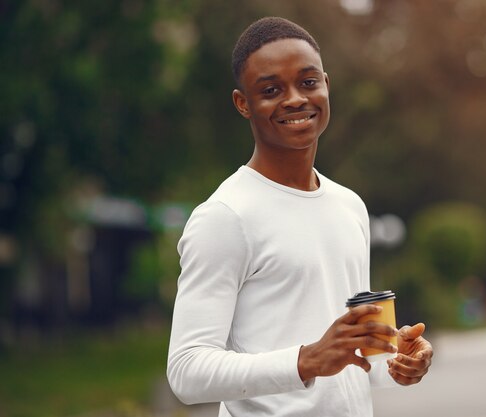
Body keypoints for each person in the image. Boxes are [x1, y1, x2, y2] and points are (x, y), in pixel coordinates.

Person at [166, 16, 433, 417]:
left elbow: (356, 357)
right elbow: (187, 372)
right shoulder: (225, 217)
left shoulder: (349, 206)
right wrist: (305, 360)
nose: (294, 99)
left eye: (308, 82)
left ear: (326, 84)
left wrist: (396, 356)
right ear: (243, 104)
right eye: (271, 89)